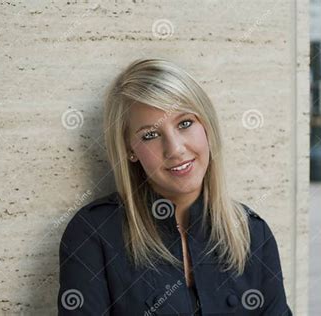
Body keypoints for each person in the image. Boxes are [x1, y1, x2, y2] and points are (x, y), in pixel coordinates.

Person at [57, 58, 293, 315]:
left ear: (207, 126)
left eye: (185, 123)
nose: (176, 149)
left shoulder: (252, 233)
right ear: (129, 150)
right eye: (150, 135)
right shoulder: (94, 234)